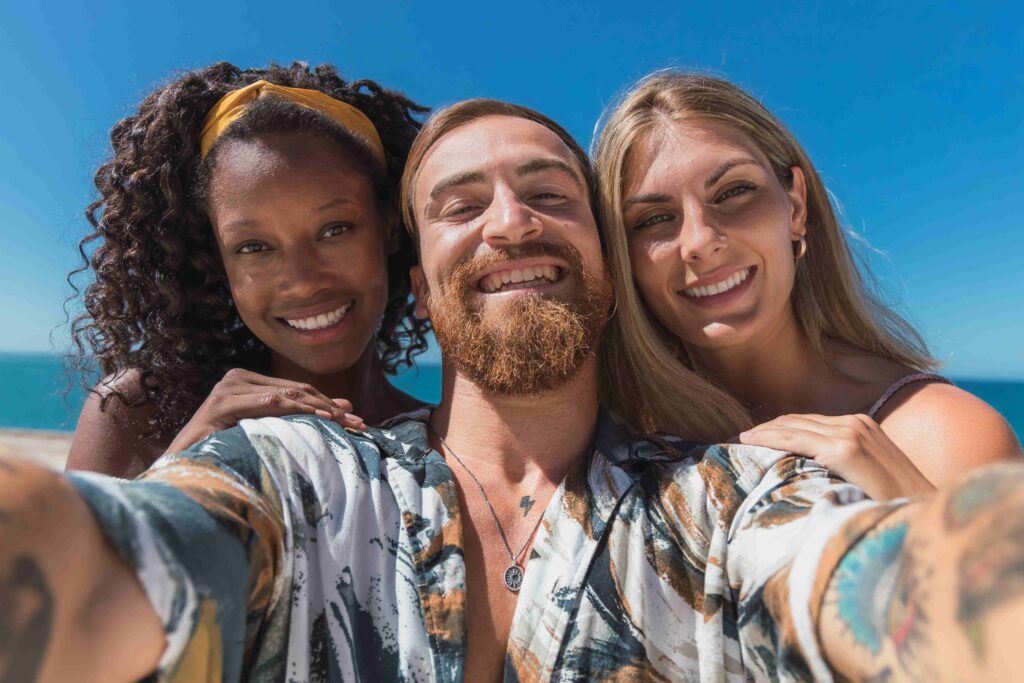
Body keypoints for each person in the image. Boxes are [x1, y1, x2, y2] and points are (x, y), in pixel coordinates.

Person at [3, 99, 1024, 682]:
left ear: (603, 261)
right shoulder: (300, 471)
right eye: (459, 204)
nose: (509, 224)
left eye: (547, 193)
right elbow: (104, 558)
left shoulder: (724, 499)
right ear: (418, 282)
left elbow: (876, 577)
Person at [593, 71, 1021, 499]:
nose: (701, 242)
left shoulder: (941, 436)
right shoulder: (607, 438)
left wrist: (916, 510)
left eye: (733, 191)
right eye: (652, 220)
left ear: (796, 205)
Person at [65, 62, 431, 478]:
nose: (303, 281)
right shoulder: (139, 416)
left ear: (388, 228)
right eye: (254, 246)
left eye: (334, 230)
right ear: (216, 259)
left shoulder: (452, 439)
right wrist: (185, 465)